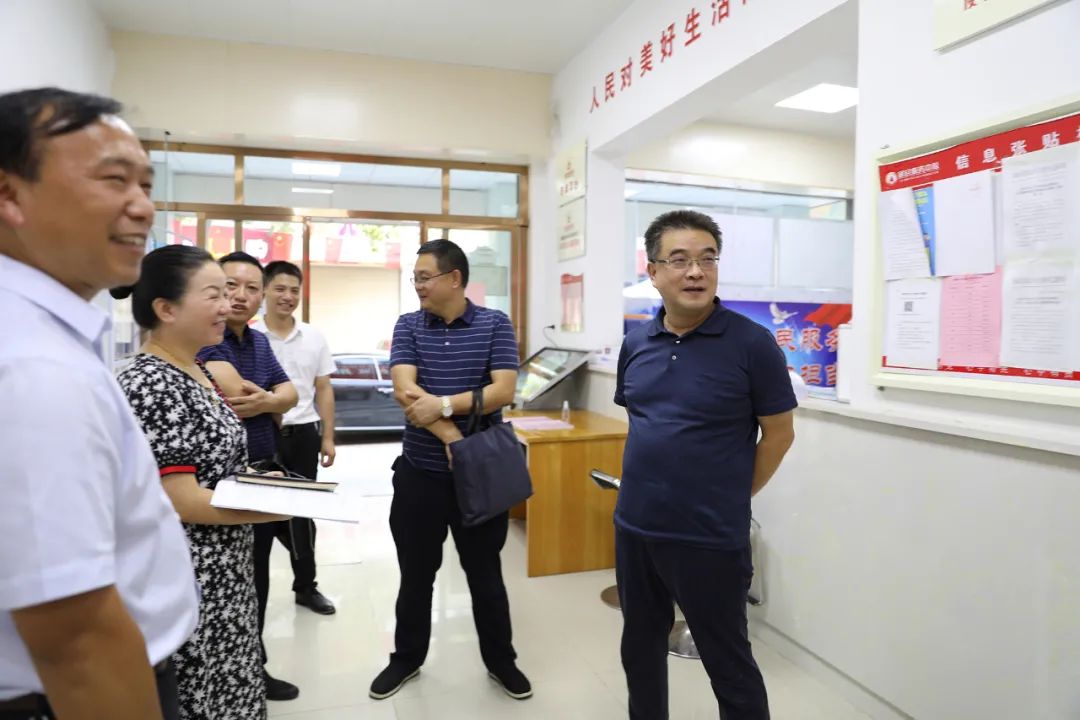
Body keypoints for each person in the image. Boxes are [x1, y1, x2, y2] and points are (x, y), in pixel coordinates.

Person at [0, 87, 199, 720]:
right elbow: (76, 637)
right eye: (114, 180)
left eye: (146, 184)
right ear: (8, 194)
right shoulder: (30, 366)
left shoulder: (45, 336)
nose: (142, 206)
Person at [614, 210, 797, 720]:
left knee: (728, 664)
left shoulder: (752, 343)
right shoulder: (636, 343)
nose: (695, 272)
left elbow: (779, 435)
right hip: (636, 527)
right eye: (679, 260)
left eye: (707, 259)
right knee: (640, 648)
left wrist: (730, 495)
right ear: (653, 272)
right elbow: (644, 422)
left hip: (710, 535)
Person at [115, 245, 294, 719]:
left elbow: (215, 465)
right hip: (190, 577)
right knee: (203, 695)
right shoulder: (151, 383)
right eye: (214, 294)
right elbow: (184, 499)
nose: (228, 303)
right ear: (166, 309)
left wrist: (263, 484)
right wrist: (280, 504)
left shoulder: (198, 370)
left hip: (226, 570)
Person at [369, 239, 531, 701]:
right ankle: (406, 659)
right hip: (420, 474)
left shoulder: (495, 324)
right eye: (415, 278)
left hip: (478, 476)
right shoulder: (408, 325)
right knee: (416, 575)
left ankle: (502, 662)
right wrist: (453, 438)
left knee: (486, 575)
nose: (418, 285)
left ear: (454, 278)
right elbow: (405, 390)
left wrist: (440, 405)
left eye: (425, 277)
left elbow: (502, 391)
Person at [195, 250, 301, 702]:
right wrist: (273, 400)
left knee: (256, 579)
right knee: (223, 589)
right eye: (230, 286)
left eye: (251, 288)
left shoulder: (257, 342)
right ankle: (220, 677)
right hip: (219, 482)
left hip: (262, 473)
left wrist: (271, 401)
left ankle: (252, 667)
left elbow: (291, 392)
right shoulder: (205, 339)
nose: (240, 296)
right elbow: (235, 392)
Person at [252, 260, 337, 616]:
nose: (287, 296)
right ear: (265, 292)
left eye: (294, 290)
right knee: (260, 516)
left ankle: (306, 586)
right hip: (262, 434)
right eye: (280, 289)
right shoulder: (251, 335)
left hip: (303, 434)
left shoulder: (313, 337)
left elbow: (324, 388)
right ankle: (254, 594)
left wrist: (328, 437)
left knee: (303, 514)